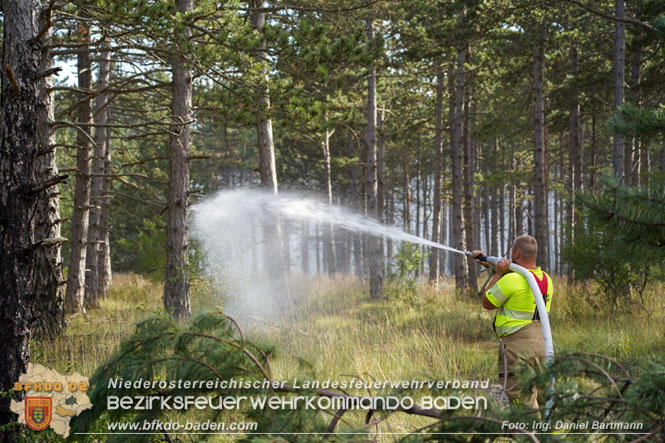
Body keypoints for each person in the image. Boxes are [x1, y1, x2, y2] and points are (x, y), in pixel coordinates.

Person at [472, 234, 553, 412]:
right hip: (543, 344)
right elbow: (519, 280)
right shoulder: (546, 279)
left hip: (518, 346)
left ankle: (530, 437)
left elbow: (487, 302)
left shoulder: (511, 279)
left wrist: (499, 273)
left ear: (516, 254)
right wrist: (490, 265)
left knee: (522, 399)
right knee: (546, 398)